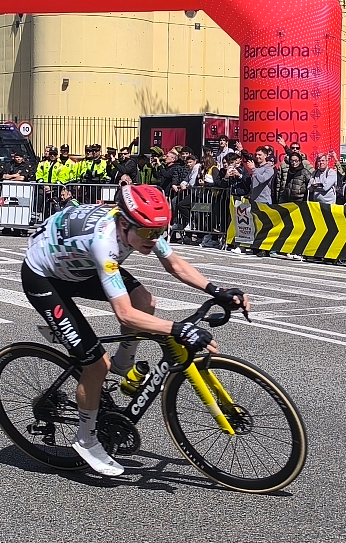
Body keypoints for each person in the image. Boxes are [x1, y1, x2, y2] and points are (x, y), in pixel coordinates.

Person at [21, 184, 250, 476]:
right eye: (146, 234)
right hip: (45, 278)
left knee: (146, 301)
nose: (153, 240)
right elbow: (126, 316)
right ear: (124, 223)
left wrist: (217, 290)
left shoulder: (145, 228)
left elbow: (175, 264)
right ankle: (85, 439)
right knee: (96, 364)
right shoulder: (104, 241)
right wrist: (179, 329)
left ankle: (123, 363)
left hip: (80, 267)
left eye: (159, 232)